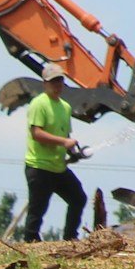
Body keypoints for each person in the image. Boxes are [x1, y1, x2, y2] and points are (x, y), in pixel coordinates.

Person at [21, 68, 88, 241]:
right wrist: (63, 142)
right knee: (38, 209)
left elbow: (64, 135)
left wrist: (72, 152)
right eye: (53, 82)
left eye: (60, 81)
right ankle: (30, 241)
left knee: (78, 198)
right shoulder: (38, 103)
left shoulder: (65, 107)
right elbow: (37, 133)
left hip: (58, 167)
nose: (57, 85)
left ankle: (70, 237)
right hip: (39, 166)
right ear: (45, 83)